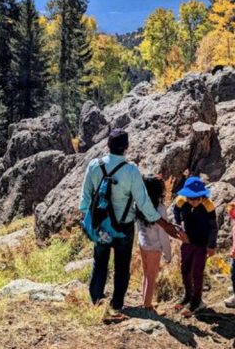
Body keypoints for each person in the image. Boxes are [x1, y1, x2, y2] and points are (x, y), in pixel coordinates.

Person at [79, 129, 186, 322]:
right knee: (121, 266)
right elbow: (143, 203)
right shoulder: (131, 171)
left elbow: (85, 200)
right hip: (123, 228)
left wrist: (91, 221)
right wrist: (164, 224)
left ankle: (96, 301)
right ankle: (117, 304)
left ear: (108, 145)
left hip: (101, 226)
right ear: (126, 147)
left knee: (99, 262)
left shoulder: (94, 165)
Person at [172, 176, 218, 317]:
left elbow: (213, 227)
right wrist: (180, 230)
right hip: (187, 242)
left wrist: (211, 246)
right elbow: (175, 214)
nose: (194, 201)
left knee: (197, 272)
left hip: (202, 244)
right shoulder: (181, 201)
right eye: (191, 198)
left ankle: (196, 301)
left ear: (202, 196)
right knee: (185, 269)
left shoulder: (208, 205)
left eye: (197, 198)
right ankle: (187, 295)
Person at [137, 175, 172, 313]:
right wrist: (168, 254)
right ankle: (147, 306)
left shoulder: (139, 204)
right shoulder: (160, 208)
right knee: (152, 276)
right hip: (154, 247)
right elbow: (164, 234)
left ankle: (144, 300)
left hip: (142, 243)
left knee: (146, 273)